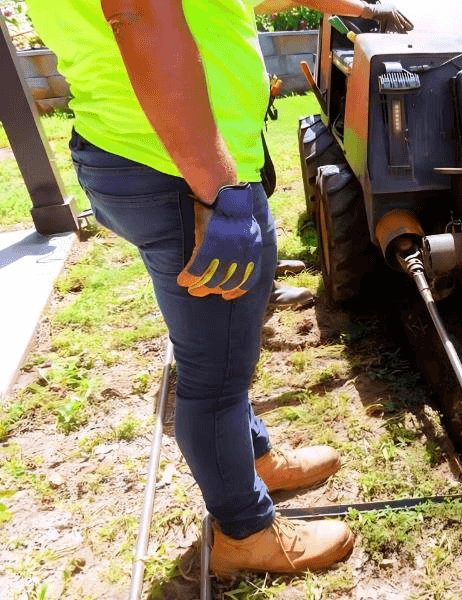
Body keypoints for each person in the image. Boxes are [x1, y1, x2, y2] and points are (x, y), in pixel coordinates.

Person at [24, 0, 411, 576]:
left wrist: (357, 7)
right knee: (215, 376)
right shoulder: (202, 184)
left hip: (153, 154)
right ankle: (245, 531)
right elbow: (143, 17)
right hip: (180, 170)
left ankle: (253, 459)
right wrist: (218, 191)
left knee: (220, 345)